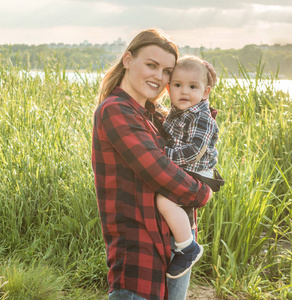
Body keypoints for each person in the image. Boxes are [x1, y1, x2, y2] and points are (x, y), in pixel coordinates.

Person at [92, 28, 215, 300]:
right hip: (140, 251)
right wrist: (202, 192)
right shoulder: (115, 110)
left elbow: (194, 150)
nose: (159, 77)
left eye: (167, 71)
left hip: (176, 246)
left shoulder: (155, 116)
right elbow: (160, 171)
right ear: (127, 60)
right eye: (151, 65)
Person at [156, 56, 224, 280]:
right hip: (187, 167)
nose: (184, 91)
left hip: (197, 170)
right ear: (168, 88)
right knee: (166, 201)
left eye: (193, 86)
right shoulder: (179, 111)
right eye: (177, 85)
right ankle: (180, 239)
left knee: (164, 200)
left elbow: (195, 149)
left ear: (205, 92)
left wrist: (164, 156)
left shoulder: (201, 116)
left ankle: (187, 247)